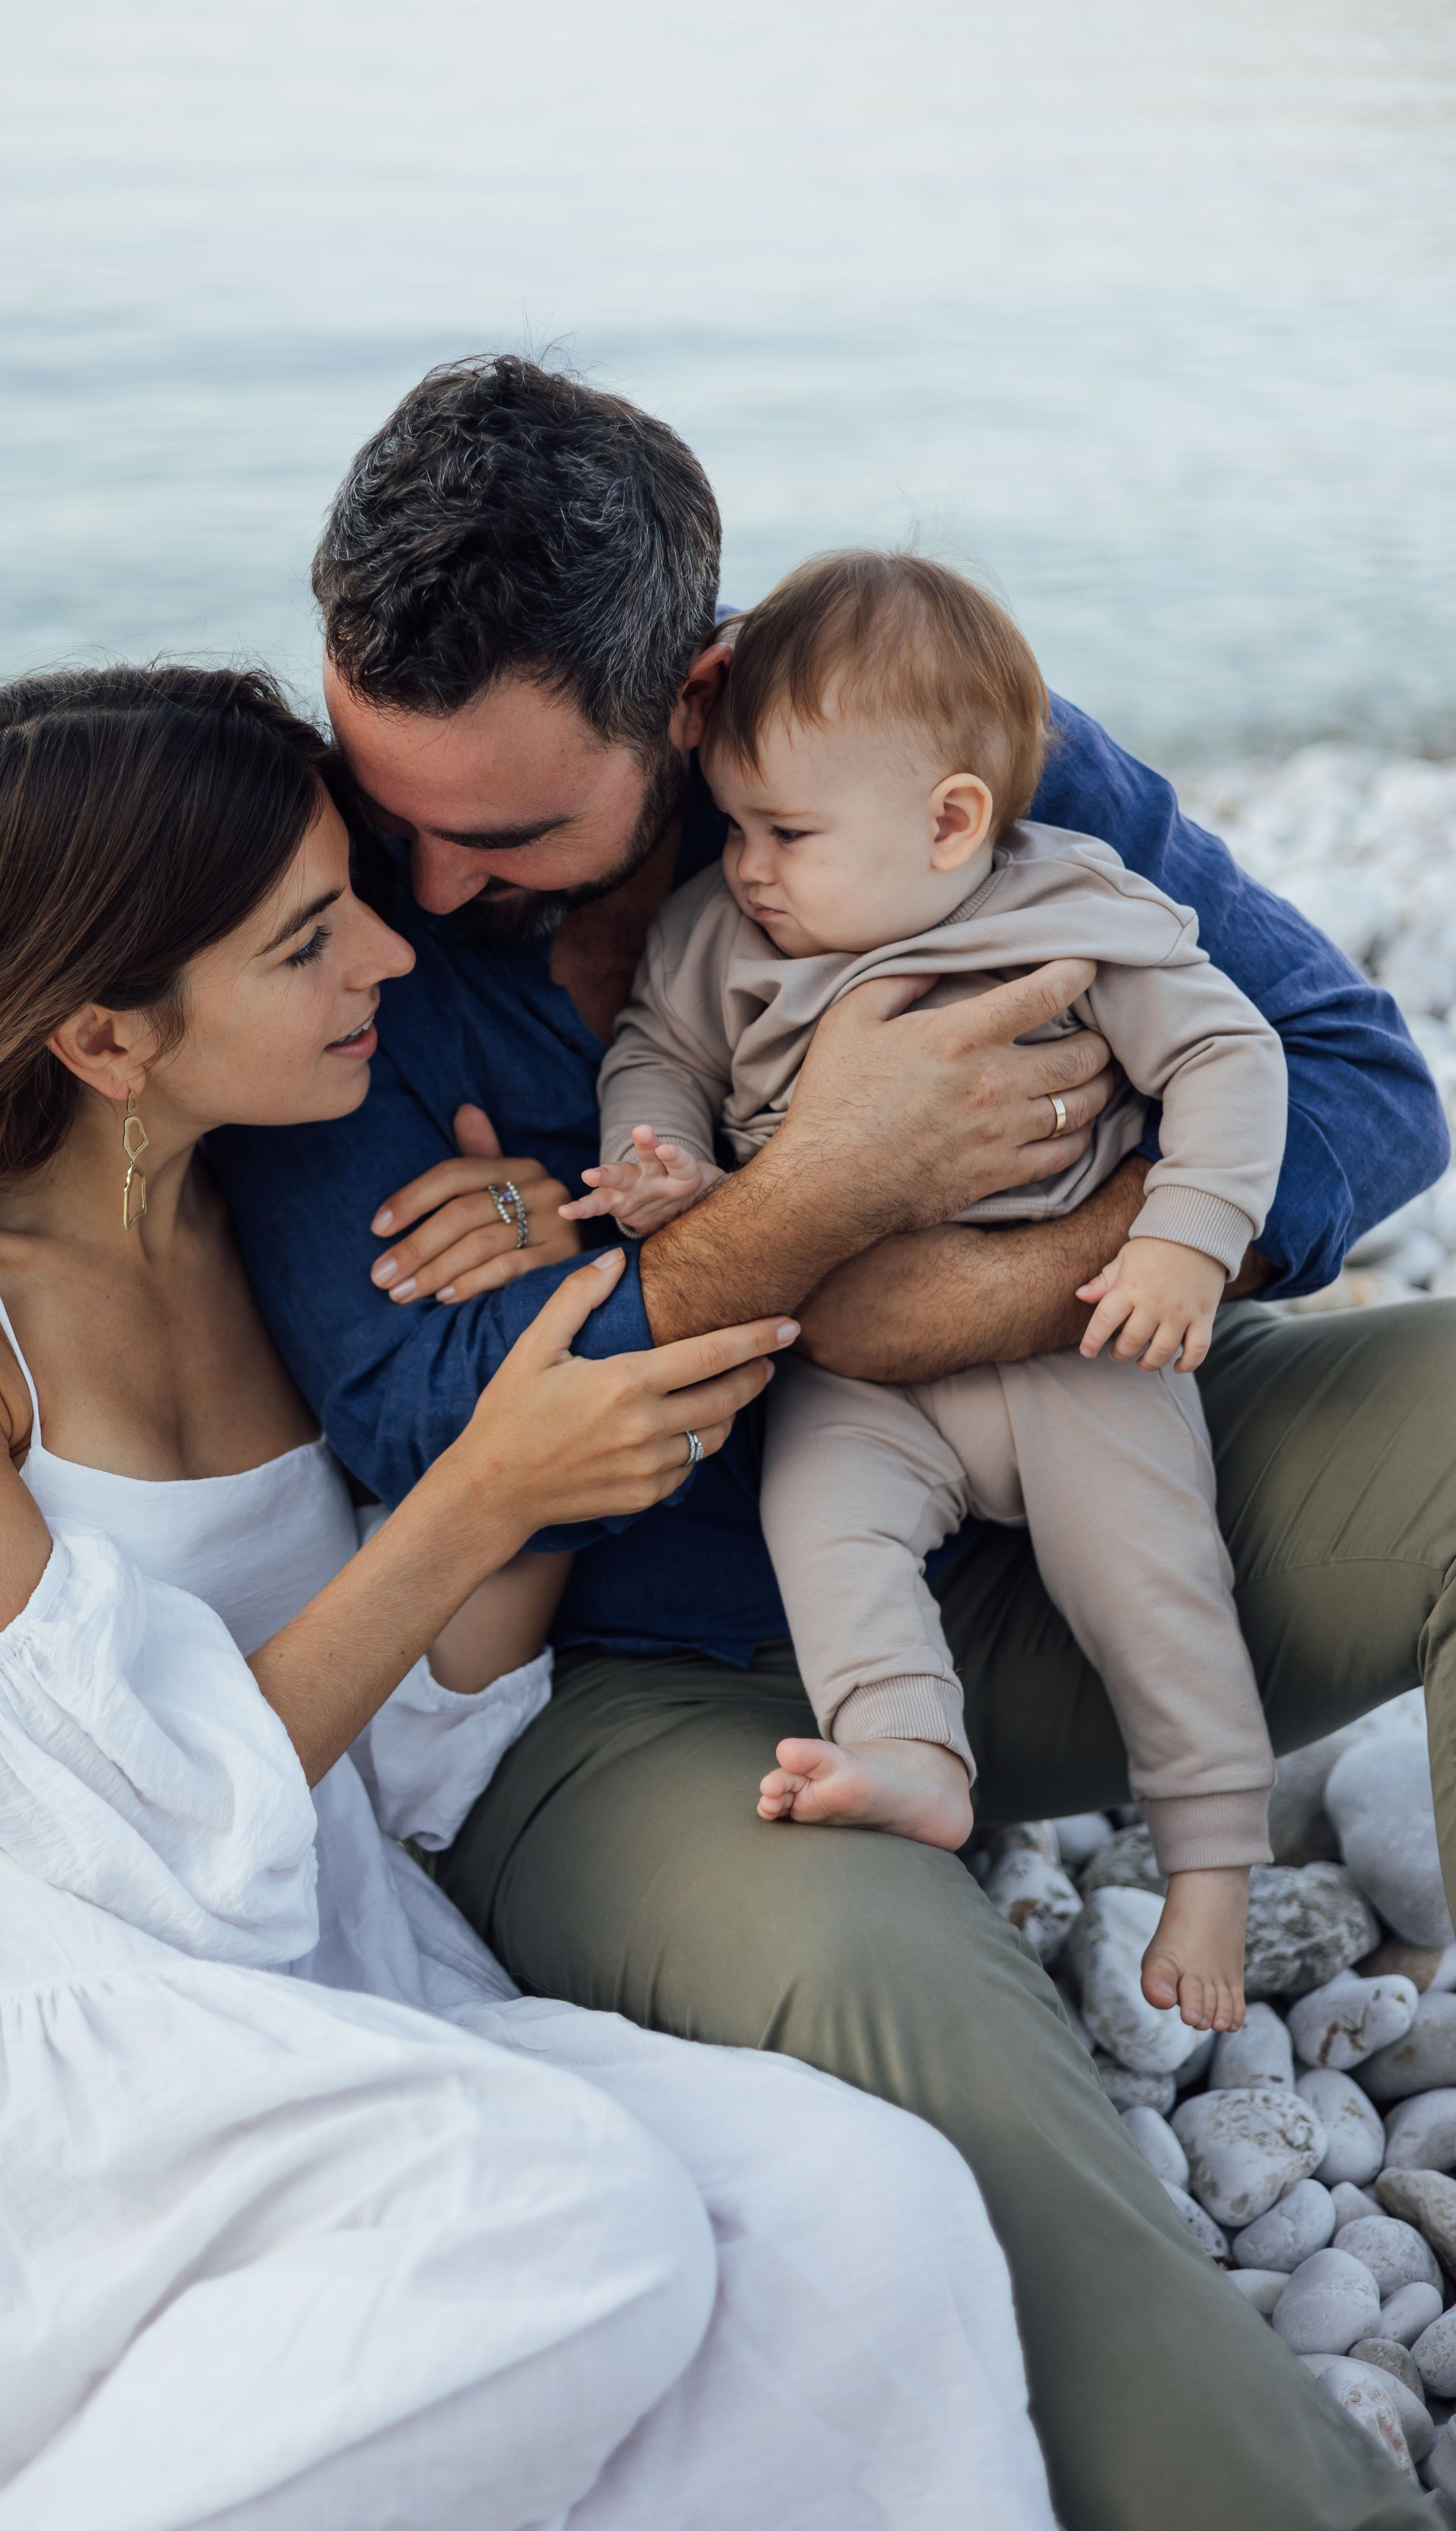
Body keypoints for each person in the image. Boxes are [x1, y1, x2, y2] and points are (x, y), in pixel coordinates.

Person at [206, 354, 1456, 2531]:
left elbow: (1361, 1087)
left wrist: (945, 1271)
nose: (401, 887)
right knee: (959, 2080)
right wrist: (820, 1193)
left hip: (1066, 1501)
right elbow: (428, 1426)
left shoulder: (926, 743)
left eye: (495, 834)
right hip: (646, 1699)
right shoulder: (312, 905)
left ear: (690, 700)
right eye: (380, 799)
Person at [0, 664, 1063, 2530]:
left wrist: (542, 1373)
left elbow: (429, 1752)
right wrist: (473, 1500)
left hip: (321, 1953)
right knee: (566, 2215)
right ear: (107, 1041)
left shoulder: (279, 1222)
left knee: (866, 2207)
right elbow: (89, 1838)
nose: (390, 952)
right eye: (310, 940)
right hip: (1, 2002)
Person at [570, 546, 1287, 2037]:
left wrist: (1180, 1241)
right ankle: (912, 1757)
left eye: (785, 831)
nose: (747, 864)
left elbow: (1230, 1056)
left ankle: (1211, 1851)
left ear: (950, 820)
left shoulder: (1072, 905)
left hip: (1076, 1349)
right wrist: (652, 1152)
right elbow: (654, 1047)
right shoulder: (723, 935)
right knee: (822, 1534)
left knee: (1152, 1578)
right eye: (734, 827)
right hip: (857, 1380)